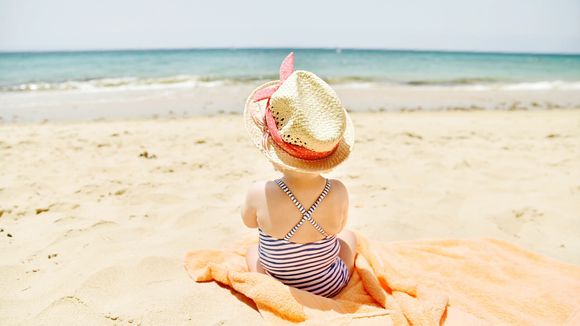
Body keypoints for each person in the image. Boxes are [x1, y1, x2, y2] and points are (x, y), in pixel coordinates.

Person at [240, 52, 357, 298]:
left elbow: (249, 222)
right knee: (349, 237)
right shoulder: (337, 191)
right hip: (328, 285)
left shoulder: (259, 192)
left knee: (252, 252)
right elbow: (340, 226)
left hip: (278, 281)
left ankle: (269, 286)